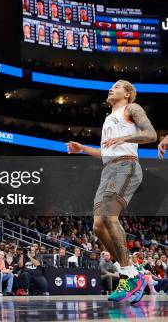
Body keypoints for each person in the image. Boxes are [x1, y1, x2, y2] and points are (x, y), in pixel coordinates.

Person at [67, 80, 157, 304]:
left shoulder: (132, 108)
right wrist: (83, 149)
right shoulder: (108, 118)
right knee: (98, 226)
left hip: (126, 165)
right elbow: (107, 152)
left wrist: (126, 137)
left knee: (109, 217)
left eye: (116, 87)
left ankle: (130, 275)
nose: (111, 89)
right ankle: (132, 275)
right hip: (109, 169)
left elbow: (151, 135)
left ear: (127, 94)